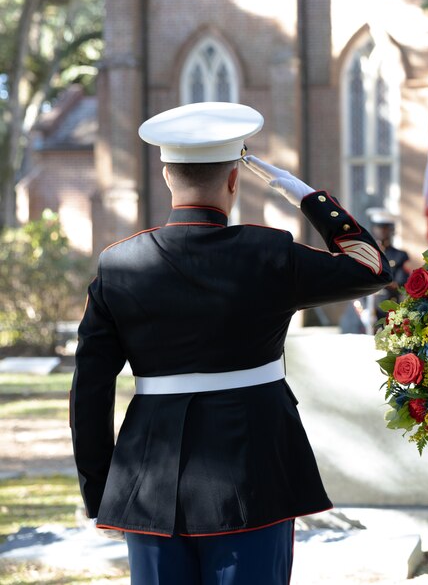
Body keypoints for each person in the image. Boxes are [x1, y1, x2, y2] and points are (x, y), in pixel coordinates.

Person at [70, 101, 393, 584]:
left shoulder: (119, 264)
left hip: (150, 484)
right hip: (255, 475)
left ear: (167, 176)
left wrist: (102, 493)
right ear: (235, 180)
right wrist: (304, 196)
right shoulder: (268, 253)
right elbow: (371, 267)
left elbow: (89, 391)